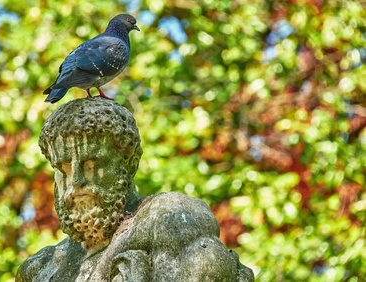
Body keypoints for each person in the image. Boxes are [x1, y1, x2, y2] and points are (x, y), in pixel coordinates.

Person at [17, 97, 254, 282]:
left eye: (92, 165)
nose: (75, 182)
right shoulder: (42, 267)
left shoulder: (168, 219)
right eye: (63, 169)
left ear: (128, 164)